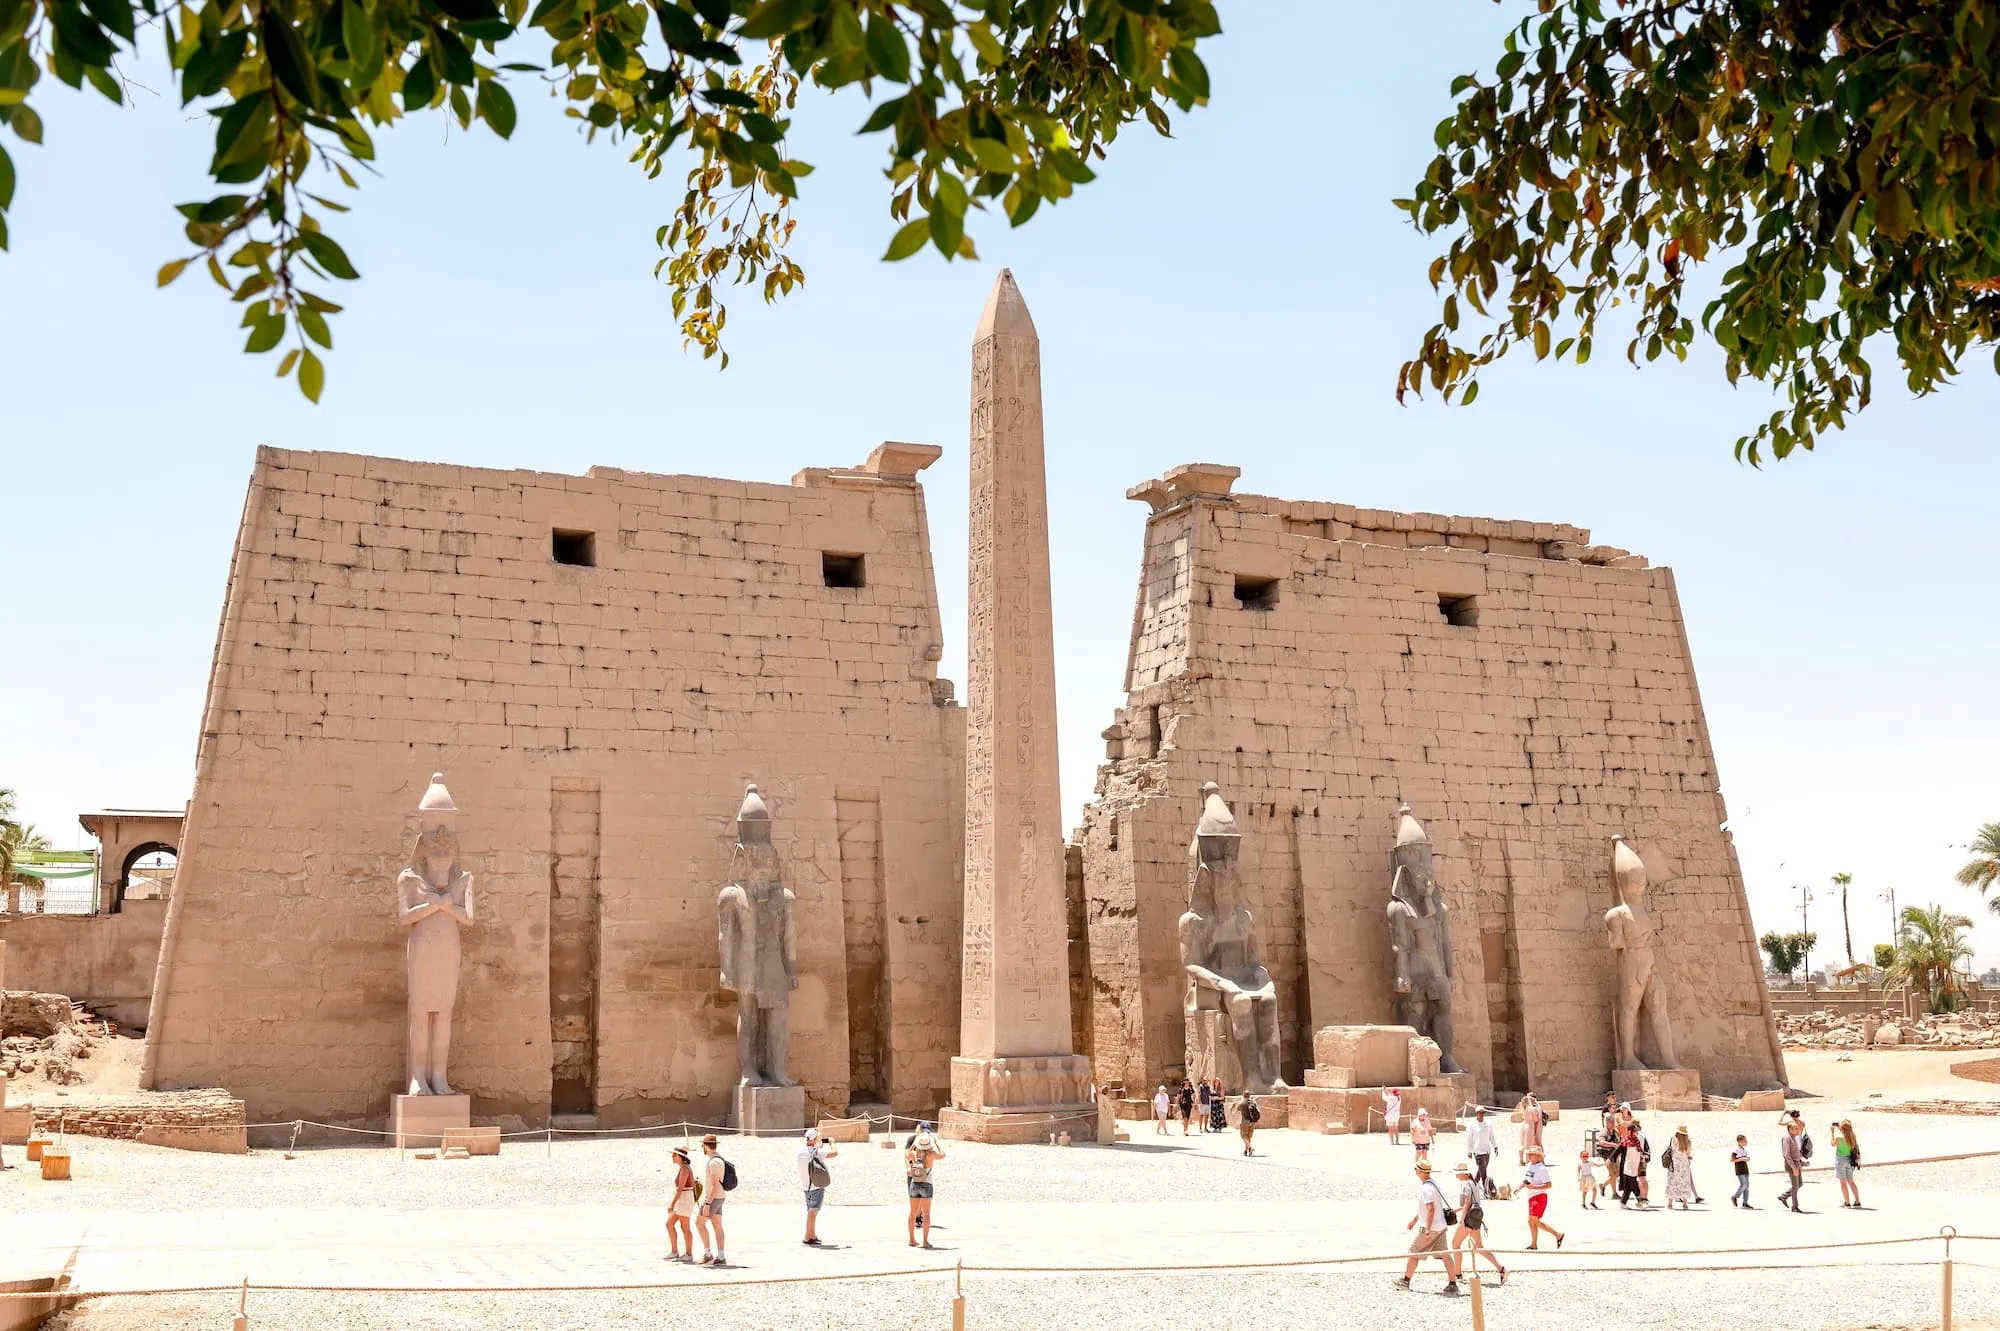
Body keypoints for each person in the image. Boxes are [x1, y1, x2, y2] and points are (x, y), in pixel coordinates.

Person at [1394, 1160, 1462, 1295]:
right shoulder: (1433, 1184)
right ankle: (1453, 1283)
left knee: (1414, 1253)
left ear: (1420, 1172)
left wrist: (1427, 1229)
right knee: (1445, 1254)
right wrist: (1415, 1219)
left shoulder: (1426, 1188)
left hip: (1432, 1228)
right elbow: (1427, 1209)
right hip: (1441, 1226)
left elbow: (1430, 1209)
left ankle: (1406, 1281)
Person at [1451, 1159, 1506, 1284]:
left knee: (1455, 1244)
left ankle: (1458, 1274)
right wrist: (1457, 1210)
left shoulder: (1465, 1184)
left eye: (1457, 1172)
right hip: (1476, 1216)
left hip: (1469, 1218)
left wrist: (1461, 1220)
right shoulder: (1473, 1183)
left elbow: (1467, 1203)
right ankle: (1501, 1268)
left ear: (1463, 1173)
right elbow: (1473, 1203)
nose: (1456, 1174)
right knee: (1479, 1247)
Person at [1519, 1146, 1565, 1250]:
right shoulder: (1530, 1166)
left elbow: (1549, 1185)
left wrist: (1535, 1187)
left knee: (1534, 1220)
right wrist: (1519, 1187)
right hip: (1531, 1196)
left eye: (1532, 1154)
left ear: (1539, 1157)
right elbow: (1527, 1180)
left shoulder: (1541, 1169)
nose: (1529, 1156)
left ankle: (1557, 1234)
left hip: (1539, 1196)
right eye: (1529, 1154)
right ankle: (1534, 1244)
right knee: (1532, 1221)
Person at [798, 1126, 837, 1245]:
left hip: (806, 1186)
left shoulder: (800, 1152)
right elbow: (834, 1153)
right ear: (814, 1139)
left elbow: (812, 1151)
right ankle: (807, 1236)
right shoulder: (817, 1153)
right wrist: (832, 1143)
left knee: (811, 1211)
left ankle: (812, 1235)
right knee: (813, 1212)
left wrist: (817, 1146)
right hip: (816, 1185)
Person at [906, 1125, 944, 1246]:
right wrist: (937, 1143)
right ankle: (925, 1241)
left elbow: (907, 1154)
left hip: (914, 1184)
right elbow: (943, 1154)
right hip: (927, 1184)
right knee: (926, 1213)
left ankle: (911, 1239)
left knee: (912, 1213)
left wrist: (914, 1144)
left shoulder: (913, 1154)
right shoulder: (931, 1155)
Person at [697, 1134, 728, 1266]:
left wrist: (708, 1203)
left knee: (699, 1223)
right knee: (717, 1226)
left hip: (714, 1197)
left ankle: (708, 1253)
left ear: (705, 1146)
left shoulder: (714, 1162)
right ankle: (720, 1256)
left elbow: (715, 1184)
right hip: (720, 1196)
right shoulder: (719, 1159)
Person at [667, 1146, 698, 1261]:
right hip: (683, 1198)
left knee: (685, 1227)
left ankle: (689, 1254)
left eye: (674, 1155)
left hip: (685, 1198)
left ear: (681, 1157)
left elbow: (680, 1189)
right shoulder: (683, 1168)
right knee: (669, 1224)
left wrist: (672, 1204)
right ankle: (674, 1252)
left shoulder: (685, 1169)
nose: (672, 1157)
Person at [1777, 1112, 1807, 1213]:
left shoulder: (1793, 1138)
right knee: (1795, 1185)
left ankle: (1784, 1196)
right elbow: (1786, 1155)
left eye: (1797, 1129)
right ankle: (1795, 1206)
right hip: (1792, 1165)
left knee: (1800, 1184)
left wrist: (1802, 1162)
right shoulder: (1786, 1138)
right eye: (1795, 1129)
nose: (1797, 1130)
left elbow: (1795, 1153)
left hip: (1797, 1163)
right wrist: (1794, 1168)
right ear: (1790, 1129)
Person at [1466, 1107, 1497, 1199]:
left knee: (1481, 1170)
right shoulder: (1472, 1125)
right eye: (1479, 1112)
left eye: (1482, 1112)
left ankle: (1473, 1186)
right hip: (1477, 1151)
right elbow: (1469, 1138)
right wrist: (1469, 1151)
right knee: (1483, 1171)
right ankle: (1486, 1190)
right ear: (1476, 1113)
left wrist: (1495, 1146)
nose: (1481, 1114)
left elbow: (1491, 1136)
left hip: (1487, 1150)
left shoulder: (1488, 1124)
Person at [1665, 1126, 1695, 1210]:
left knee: (1672, 1182)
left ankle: (1670, 1203)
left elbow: (1672, 1150)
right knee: (1684, 1183)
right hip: (1684, 1164)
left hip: (1674, 1164)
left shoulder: (1674, 1139)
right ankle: (1685, 1204)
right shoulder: (1688, 1142)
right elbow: (1688, 1153)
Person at [1833, 1119, 1862, 1208]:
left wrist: (1832, 1132)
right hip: (1849, 1160)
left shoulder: (1839, 1138)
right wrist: (1840, 1127)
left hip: (1840, 1160)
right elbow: (1847, 1132)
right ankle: (1857, 1201)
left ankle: (1847, 1202)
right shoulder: (1852, 1136)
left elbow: (1832, 1144)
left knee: (1843, 1183)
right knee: (1851, 1182)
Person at [1516, 1093, 1544, 1165]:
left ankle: (1521, 1160)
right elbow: (1536, 1119)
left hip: (1523, 1125)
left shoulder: (1524, 1108)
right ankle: (1529, 1161)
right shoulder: (1532, 1109)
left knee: (1522, 1143)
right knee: (1529, 1144)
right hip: (1530, 1127)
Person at [1730, 1134, 1752, 1209]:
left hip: (1745, 1169)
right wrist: (1742, 1159)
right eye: (1744, 1140)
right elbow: (1732, 1160)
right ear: (1739, 1141)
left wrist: (1747, 1158)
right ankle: (1735, 1196)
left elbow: (1744, 1158)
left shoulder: (1744, 1150)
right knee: (1744, 1185)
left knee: (1747, 1187)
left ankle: (1745, 1203)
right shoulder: (1736, 1150)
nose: (1746, 1142)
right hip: (1740, 1170)